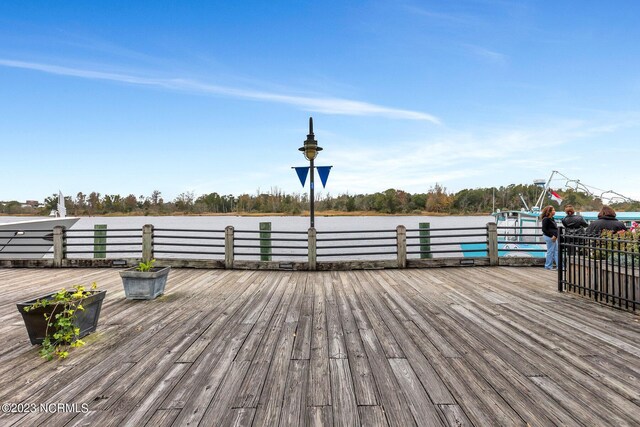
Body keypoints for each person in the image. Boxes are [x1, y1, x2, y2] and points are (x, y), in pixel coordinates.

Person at [540, 205, 558, 270]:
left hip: (554, 237)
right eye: (553, 210)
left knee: (556, 251)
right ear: (549, 212)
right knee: (550, 251)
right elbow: (544, 229)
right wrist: (552, 235)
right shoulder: (546, 219)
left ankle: (559, 266)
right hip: (549, 237)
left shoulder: (552, 219)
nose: (554, 211)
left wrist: (556, 235)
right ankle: (548, 266)